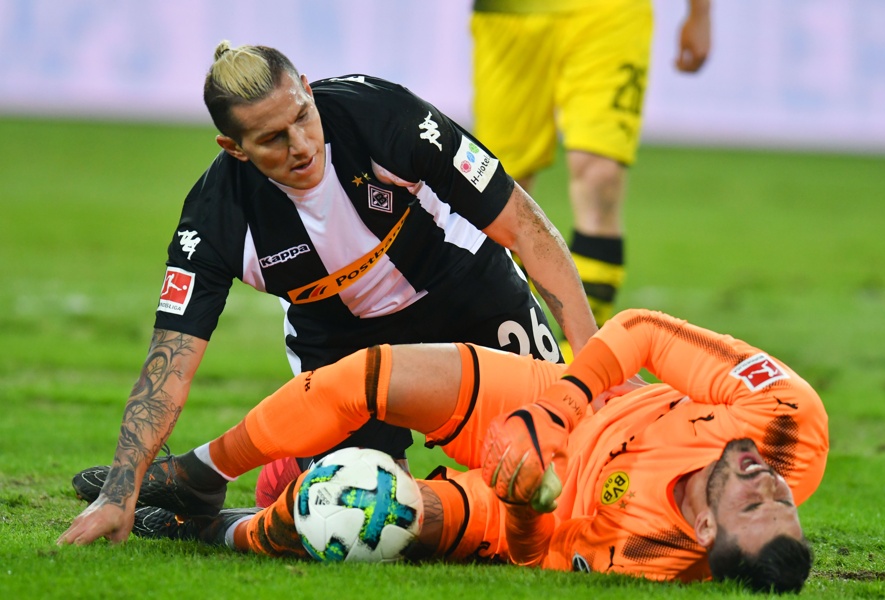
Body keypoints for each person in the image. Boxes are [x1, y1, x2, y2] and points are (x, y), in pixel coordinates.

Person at [77, 40, 599, 531]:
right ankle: (227, 518)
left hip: (466, 288)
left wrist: (596, 369)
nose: (301, 145)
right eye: (271, 139)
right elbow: (169, 362)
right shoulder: (216, 219)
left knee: (564, 462)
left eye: (302, 116)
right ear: (233, 148)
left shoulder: (383, 116)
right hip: (340, 342)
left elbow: (526, 227)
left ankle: (278, 463)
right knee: (375, 520)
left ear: (306, 87)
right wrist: (121, 492)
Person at [61, 309, 828, 592]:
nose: (768, 480)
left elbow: (534, 553)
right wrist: (557, 409)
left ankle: (217, 529)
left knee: (372, 510)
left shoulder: (650, 557)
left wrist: (524, 496)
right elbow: (642, 332)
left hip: (514, 504)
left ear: (703, 536)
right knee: (368, 376)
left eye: (754, 503)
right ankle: (196, 476)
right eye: (783, 498)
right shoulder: (789, 422)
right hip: (574, 399)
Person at [471, 0, 712, 327]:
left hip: (608, 14)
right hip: (508, 15)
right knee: (495, 188)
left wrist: (700, 13)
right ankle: (513, 338)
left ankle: (581, 356)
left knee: (601, 178)